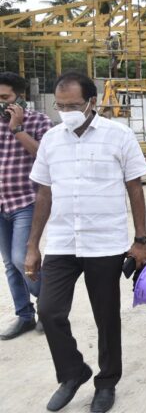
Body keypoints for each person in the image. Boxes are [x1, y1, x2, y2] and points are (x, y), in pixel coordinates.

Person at [25, 72, 146, 413]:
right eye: (61, 105)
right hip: (63, 241)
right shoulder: (51, 139)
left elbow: (135, 187)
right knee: (49, 311)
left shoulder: (118, 135)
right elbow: (44, 192)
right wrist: (33, 245)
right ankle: (73, 372)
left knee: (106, 317)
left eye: (74, 105)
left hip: (105, 243)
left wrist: (140, 240)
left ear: (92, 102)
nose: (66, 111)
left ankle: (107, 383)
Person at [0, 72, 51, 340]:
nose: (1, 103)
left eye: (4, 98)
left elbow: (45, 156)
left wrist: (18, 129)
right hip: (1, 204)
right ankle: (24, 315)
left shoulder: (39, 121)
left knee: (23, 259)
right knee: (10, 263)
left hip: (26, 202)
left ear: (20, 97)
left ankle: (48, 308)